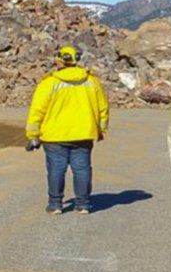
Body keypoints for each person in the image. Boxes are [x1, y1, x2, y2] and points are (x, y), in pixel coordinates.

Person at [25, 46, 109, 215]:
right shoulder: (92, 82)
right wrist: (101, 130)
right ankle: (83, 204)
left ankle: (55, 204)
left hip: (54, 136)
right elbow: (103, 109)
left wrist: (32, 136)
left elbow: (36, 111)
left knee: (56, 169)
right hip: (83, 134)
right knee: (82, 169)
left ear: (60, 61)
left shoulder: (49, 84)